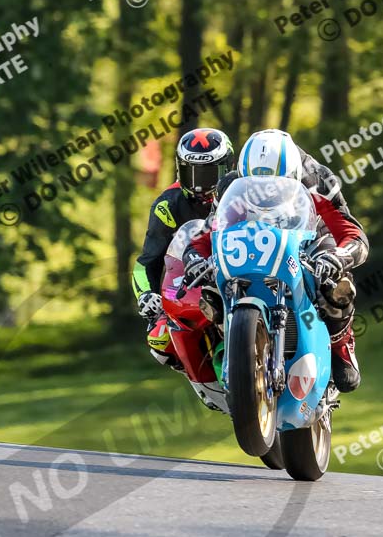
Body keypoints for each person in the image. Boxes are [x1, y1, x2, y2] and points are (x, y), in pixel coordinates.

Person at [182, 128, 369, 392]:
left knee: (337, 287)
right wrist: (194, 258)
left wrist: (339, 256)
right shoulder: (230, 185)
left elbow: (351, 231)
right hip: (252, 244)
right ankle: (232, 345)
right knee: (209, 289)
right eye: (255, 186)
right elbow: (208, 234)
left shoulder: (318, 179)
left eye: (274, 185)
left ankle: (341, 345)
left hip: (309, 238)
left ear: (292, 174)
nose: (267, 193)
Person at [132, 127, 234, 366]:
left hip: (241, 270)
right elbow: (146, 262)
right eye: (193, 174)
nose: (200, 185)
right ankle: (199, 369)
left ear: (227, 168)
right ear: (180, 169)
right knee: (158, 339)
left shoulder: (244, 191)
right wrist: (146, 295)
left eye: (210, 174)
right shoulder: (167, 205)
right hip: (191, 282)